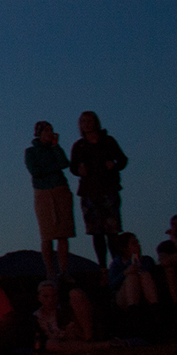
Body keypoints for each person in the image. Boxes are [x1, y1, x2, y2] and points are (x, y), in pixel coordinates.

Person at [69, 110, 130, 272]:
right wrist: (79, 170)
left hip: (108, 189)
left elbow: (122, 160)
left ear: (96, 122)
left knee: (112, 232)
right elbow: (73, 167)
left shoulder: (108, 141)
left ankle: (117, 265)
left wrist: (114, 165)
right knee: (96, 232)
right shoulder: (79, 146)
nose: (87, 124)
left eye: (89, 121)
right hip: (89, 192)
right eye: (83, 121)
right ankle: (102, 267)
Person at [26, 121, 75, 281]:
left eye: (51, 130)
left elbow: (64, 163)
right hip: (43, 193)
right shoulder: (31, 152)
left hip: (60, 190)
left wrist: (56, 146)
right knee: (47, 235)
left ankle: (64, 270)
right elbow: (36, 171)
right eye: (46, 131)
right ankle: (50, 271)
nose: (49, 133)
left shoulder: (55, 149)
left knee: (63, 234)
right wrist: (53, 168)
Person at [32, 280, 106, 351]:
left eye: (54, 296)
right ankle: (95, 346)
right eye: (46, 296)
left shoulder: (67, 309)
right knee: (50, 344)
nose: (50, 300)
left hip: (78, 336)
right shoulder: (36, 317)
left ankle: (90, 341)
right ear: (39, 297)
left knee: (75, 294)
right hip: (61, 344)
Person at [109, 233, 160, 310]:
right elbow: (112, 285)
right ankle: (133, 309)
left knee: (145, 275)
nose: (138, 245)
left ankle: (155, 307)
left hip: (145, 291)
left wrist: (139, 266)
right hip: (123, 296)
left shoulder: (146, 260)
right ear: (124, 248)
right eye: (134, 244)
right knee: (131, 278)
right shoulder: (116, 264)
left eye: (137, 243)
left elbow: (151, 272)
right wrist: (125, 273)